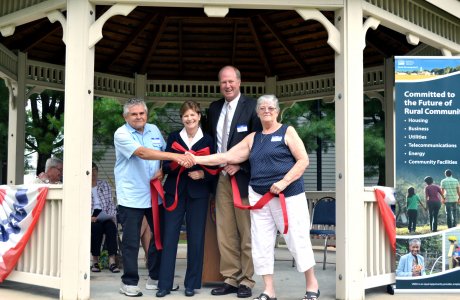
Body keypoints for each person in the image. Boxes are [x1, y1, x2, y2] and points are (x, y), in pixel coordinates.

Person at [192, 95, 320, 300]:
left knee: (298, 240)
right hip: (259, 198)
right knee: (261, 243)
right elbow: (225, 156)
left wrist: (284, 182)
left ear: (277, 111)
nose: (266, 111)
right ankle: (268, 290)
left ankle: (312, 285)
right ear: (258, 112)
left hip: (288, 196)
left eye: (270, 107)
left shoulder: (287, 131)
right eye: (262, 108)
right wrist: (195, 159)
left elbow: (303, 161)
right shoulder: (253, 137)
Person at [114, 98, 194, 297]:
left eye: (142, 113)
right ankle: (129, 282)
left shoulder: (154, 129)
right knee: (131, 242)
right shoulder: (121, 133)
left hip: (155, 195)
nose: (139, 117)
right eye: (134, 114)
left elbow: (162, 154)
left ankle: (155, 277)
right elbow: (143, 153)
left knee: (160, 238)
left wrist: (162, 171)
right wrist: (176, 157)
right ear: (126, 117)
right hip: (131, 196)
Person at [205, 65, 262, 298]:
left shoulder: (252, 108)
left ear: (239, 82)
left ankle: (247, 281)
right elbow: (210, 143)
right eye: (223, 82)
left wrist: (240, 165)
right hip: (220, 178)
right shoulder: (214, 108)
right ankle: (230, 277)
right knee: (225, 232)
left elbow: (259, 145)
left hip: (244, 179)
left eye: (231, 81)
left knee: (246, 232)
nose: (227, 86)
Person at [156, 101, 216, 297]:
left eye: (192, 115)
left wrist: (203, 174)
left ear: (199, 116)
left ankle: (191, 284)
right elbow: (165, 164)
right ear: (182, 119)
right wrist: (178, 161)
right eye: (185, 116)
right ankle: (164, 285)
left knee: (196, 238)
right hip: (174, 191)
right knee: (169, 237)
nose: (189, 119)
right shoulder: (174, 137)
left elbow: (216, 167)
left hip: (198, 193)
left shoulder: (208, 139)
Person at [90, 162, 120, 273]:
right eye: (90, 170)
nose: (93, 172)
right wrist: (89, 218)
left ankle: (112, 261)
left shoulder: (104, 184)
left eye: (94, 169)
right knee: (96, 229)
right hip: (92, 216)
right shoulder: (82, 186)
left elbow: (111, 204)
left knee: (111, 227)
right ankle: (95, 261)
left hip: (104, 214)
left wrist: (111, 216)